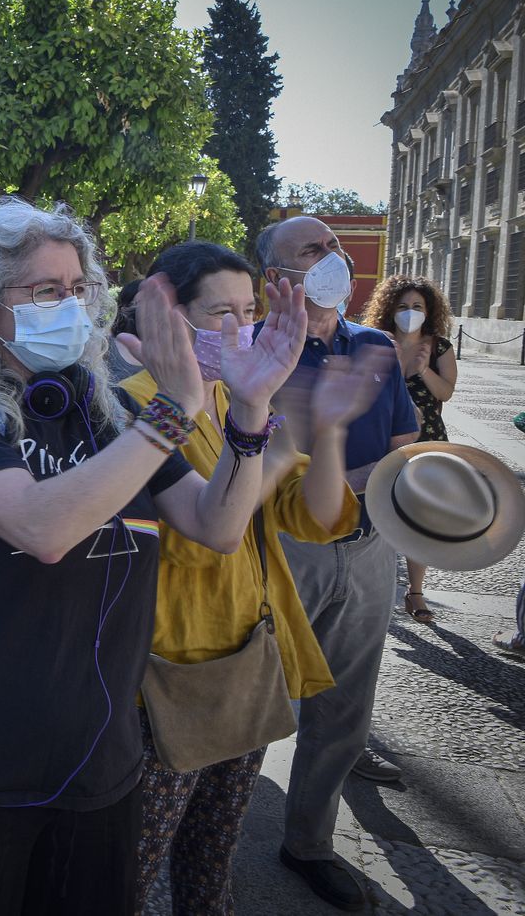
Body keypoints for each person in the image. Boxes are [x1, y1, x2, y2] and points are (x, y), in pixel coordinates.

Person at [0, 199, 309, 915]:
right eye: (46, 291)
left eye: (78, 288)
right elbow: (42, 530)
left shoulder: (98, 404)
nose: (71, 304)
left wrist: (250, 410)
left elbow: (218, 523)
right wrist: (171, 414)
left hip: (100, 764)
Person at [121, 241, 386, 915]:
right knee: (131, 862)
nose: (240, 329)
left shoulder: (245, 399)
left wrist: (326, 430)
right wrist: (260, 429)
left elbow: (317, 516)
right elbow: (212, 530)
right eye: (220, 314)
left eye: (249, 311)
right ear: (168, 314)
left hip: (248, 658)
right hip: (166, 673)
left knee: (212, 859)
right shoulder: (132, 405)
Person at [254, 215, 421, 909]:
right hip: (288, 549)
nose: (331, 259)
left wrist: (358, 479)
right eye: (311, 250)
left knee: (345, 710)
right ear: (275, 280)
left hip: (368, 550)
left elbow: (407, 435)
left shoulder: (374, 344)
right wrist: (343, 475)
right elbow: (262, 468)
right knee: (255, 699)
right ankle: (210, 829)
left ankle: (309, 844)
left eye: (332, 247)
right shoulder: (258, 352)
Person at [363, 274, 458, 627]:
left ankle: (415, 592)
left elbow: (445, 392)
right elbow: (366, 387)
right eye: (402, 306)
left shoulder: (439, 347)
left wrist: (421, 370)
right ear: (389, 309)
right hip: (381, 441)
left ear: (428, 310)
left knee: (420, 519)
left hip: (428, 441)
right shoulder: (376, 341)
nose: (409, 312)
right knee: (380, 516)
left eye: (417, 306)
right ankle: (376, 586)